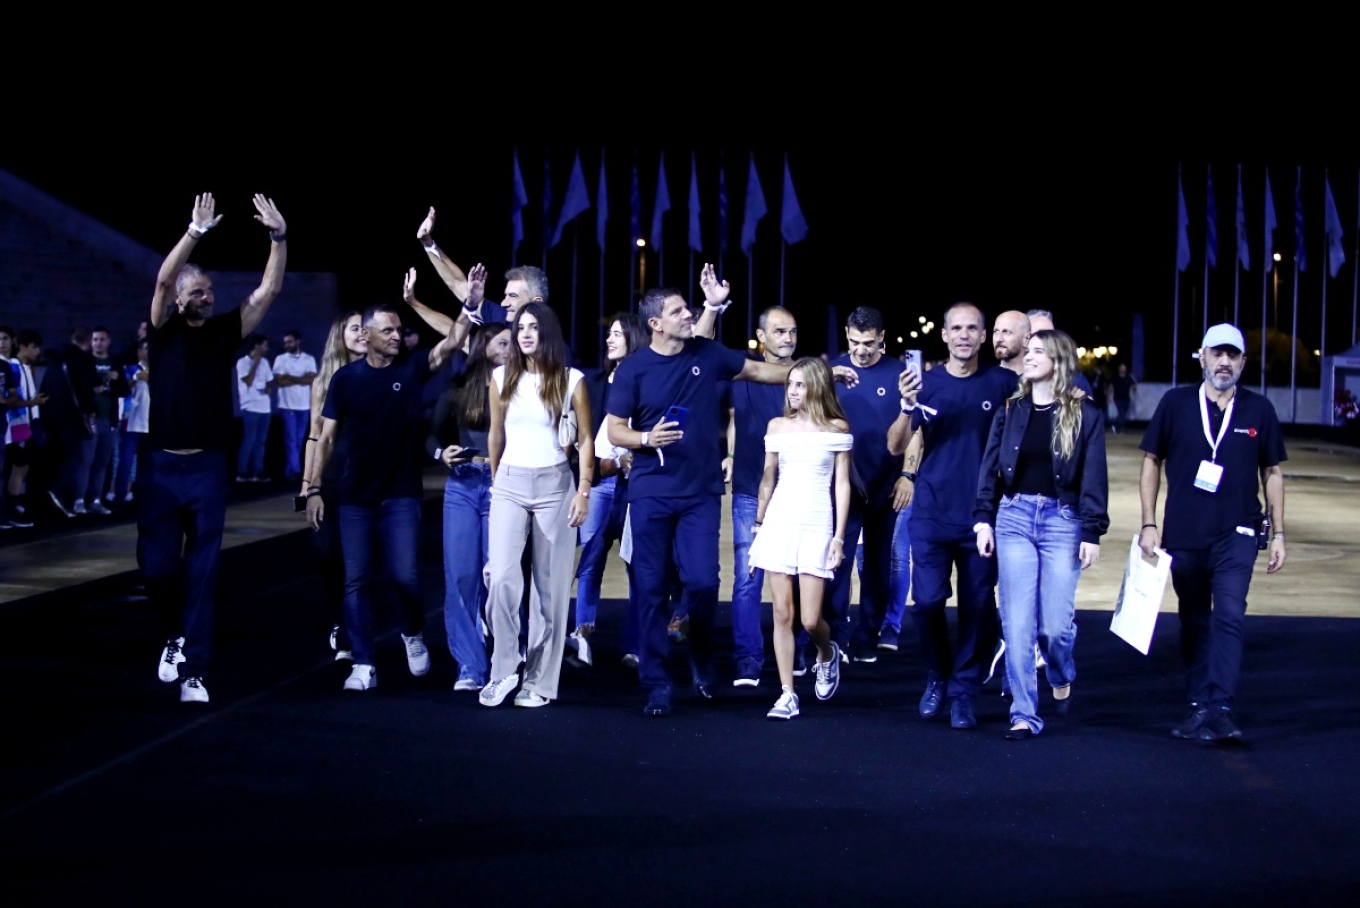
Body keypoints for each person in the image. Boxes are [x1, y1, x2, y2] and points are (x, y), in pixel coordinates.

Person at [606, 267, 848, 717]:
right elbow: (615, 429)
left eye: (689, 309)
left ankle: (700, 657)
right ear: (655, 323)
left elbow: (761, 371)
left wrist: (820, 374)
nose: (687, 315)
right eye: (678, 311)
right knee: (652, 589)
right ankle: (657, 683)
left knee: (702, 582)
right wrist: (645, 439)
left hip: (700, 492)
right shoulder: (634, 369)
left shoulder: (707, 353)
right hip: (651, 492)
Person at [143, 192, 288, 704]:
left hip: (208, 467)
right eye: (198, 291)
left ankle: (196, 672)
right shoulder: (163, 330)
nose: (207, 296)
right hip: (161, 468)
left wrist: (278, 238)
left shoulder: (227, 330)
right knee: (158, 569)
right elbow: (163, 281)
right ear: (181, 298)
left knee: (203, 571)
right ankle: (174, 636)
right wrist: (195, 232)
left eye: (209, 290)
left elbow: (268, 290)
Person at [307, 271, 464, 692]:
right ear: (368, 335)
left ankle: (412, 631)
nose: (397, 336)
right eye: (388, 330)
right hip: (355, 497)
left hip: (401, 494)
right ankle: (363, 662)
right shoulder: (345, 380)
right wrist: (314, 488)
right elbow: (326, 437)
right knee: (356, 581)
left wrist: (423, 303)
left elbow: (454, 340)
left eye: (398, 329)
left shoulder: (412, 368)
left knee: (405, 577)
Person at [1139, 323, 1286, 744]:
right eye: (1217, 353)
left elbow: (1272, 472)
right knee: (1193, 619)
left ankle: (1220, 707)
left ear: (1243, 362)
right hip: (1184, 534)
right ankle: (1198, 703)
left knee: (1229, 614)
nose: (1224, 362)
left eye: (1232, 355)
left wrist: (1279, 532)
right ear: (1201, 356)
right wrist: (1149, 523)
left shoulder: (1259, 409)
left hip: (1237, 533)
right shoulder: (1175, 403)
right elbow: (1151, 462)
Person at [975, 330, 1109, 739]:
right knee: (1017, 624)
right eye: (1028, 350)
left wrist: (1092, 531)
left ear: (1058, 360)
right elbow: (990, 467)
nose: (1028, 357)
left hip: (1062, 522)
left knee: (1054, 628)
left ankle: (1060, 670)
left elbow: (1094, 476)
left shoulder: (1085, 414)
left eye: (1038, 351)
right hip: (1013, 517)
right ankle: (1024, 714)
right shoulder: (1010, 409)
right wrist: (983, 518)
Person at [891, 302, 1017, 729]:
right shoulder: (924, 385)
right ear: (944, 335)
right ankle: (938, 674)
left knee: (977, 607)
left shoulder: (1004, 383)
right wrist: (907, 405)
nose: (964, 335)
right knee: (927, 602)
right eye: (956, 328)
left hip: (982, 516)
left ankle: (964, 691)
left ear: (983, 336)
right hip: (931, 513)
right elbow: (895, 445)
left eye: (972, 328)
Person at [479, 302, 593, 708]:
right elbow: (496, 434)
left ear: (548, 332)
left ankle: (540, 683)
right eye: (520, 328)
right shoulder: (500, 377)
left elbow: (586, 439)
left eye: (533, 327)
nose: (525, 334)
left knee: (550, 590)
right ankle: (504, 668)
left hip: (556, 485)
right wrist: (497, 481)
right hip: (509, 482)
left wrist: (583, 490)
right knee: (501, 578)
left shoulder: (571, 379)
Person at [748, 357, 852, 719]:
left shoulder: (837, 428)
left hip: (817, 523)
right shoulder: (777, 426)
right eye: (790, 384)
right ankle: (787, 693)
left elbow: (842, 484)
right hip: (779, 520)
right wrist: (758, 524)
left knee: (810, 620)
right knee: (782, 612)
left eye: (800, 384)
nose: (792, 391)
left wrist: (839, 537)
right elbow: (768, 476)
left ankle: (826, 652)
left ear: (817, 387)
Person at [427, 317, 511, 692]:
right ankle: (470, 666)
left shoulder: (522, 386)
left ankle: (507, 658)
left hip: (504, 485)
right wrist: (439, 453)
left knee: (500, 578)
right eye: (502, 342)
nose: (510, 348)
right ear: (483, 347)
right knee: (461, 578)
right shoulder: (460, 387)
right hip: (463, 484)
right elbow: (430, 434)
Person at [825, 306, 911, 662]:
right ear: (847, 335)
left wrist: (908, 475)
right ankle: (835, 635)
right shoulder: (832, 372)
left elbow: (916, 428)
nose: (861, 350)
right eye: (855, 342)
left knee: (878, 565)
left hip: (886, 486)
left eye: (869, 343)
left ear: (882, 338)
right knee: (837, 562)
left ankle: (868, 635)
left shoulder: (899, 373)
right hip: (842, 486)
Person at [570, 312, 650, 668]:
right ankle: (582, 635)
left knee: (637, 566)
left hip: (636, 489)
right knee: (590, 559)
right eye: (610, 334)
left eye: (617, 334)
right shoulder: (596, 382)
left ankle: (636, 646)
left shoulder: (646, 381)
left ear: (633, 338)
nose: (609, 339)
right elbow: (585, 434)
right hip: (601, 484)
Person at [726, 306, 800, 685]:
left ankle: (800, 650)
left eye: (793, 331)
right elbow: (734, 420)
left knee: (799, 574)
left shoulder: (805, 378)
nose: (788, 338)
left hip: (796, 491)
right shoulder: (742, 372)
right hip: (748, 489)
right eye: (780, 331)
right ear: (761, 335)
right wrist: (730, 454)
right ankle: (748, 658)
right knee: (747, 577)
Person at [302, 311, 368, 662]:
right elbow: (315, 436)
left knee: (360, 560)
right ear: (340, 336)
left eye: (365, 328)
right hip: (330, 479)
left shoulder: (381, 374)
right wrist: (308, 485)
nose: (362, 333)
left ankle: (353, 630)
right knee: (326, 554)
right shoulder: (323, 380)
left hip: (365, 479)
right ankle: (341, 616)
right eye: (354, 328)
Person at [81, 326, 127, 514]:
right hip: (88, 419)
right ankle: (79, 500)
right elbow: (82, 387)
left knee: (102, 462)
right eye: (95, 340)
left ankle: (96, 499)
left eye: (101, 339)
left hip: (108, 420)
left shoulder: (115, 362)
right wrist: (104, 380)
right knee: (85, 462)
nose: (98, 343)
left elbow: (124, 389)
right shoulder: (85, 361)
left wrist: (110, 386)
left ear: (108, 342)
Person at [3, 330, 46, 526]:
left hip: (26, 422)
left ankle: (16, 501)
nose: (37, 352)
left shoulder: (25, 367)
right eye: (34, 347)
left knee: (23, 464)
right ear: (22, 347)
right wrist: (32, 404)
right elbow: (14, 398)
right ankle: (12, 505)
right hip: (16, 422)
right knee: (18, 465)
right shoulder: (12, 366)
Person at [273, 329, 317, 482]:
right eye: (285, 342)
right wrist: (301, 378)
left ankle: (290, 469)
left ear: (298, 341)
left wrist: (290, 377)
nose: (287, 345)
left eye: (290, 342)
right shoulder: (280, 359)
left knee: (298, 441)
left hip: (304, 405)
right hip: (287, 405)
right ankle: (295, 471)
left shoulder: (309, 359)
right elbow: (280, 381)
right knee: (291, 440)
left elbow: (311, 379)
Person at [113, 338, 149, 505]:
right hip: (133, 421)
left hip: (154, 423)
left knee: (151, 461)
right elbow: (122, 389)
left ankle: (146, 494)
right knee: (126, 460)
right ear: (139, 352)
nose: (149, 352)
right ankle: (119, 495)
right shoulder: (130, 369)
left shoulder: (161, 370)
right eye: (146, 348)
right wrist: (135, 378)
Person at [235, 333, 274, 482]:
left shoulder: (265, 362)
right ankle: (242, 472)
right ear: (256, 346)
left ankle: (259, 471)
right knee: (249, 440)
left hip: (265, 408)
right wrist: (256, 362)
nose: (267, 348)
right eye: (264, 345)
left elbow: (270, 381)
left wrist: (269, 388)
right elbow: (248, 381)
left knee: (261, 442)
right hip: (250, 407)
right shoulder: (242, 362)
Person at [1110, 362, 1137, 434]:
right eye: (1121, 367)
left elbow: (1133, 385)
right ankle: (1122, 428)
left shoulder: (1128, 377)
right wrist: (1108, 397)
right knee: (1121, 413)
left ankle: (1115, 426)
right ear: (1119, 369)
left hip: (1126, 398)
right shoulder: (1115, 378)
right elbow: (1111, 387)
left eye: (1124, 367)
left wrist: (1134, 391)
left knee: (1122, 414)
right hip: (1118, 398)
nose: (1123, 369)